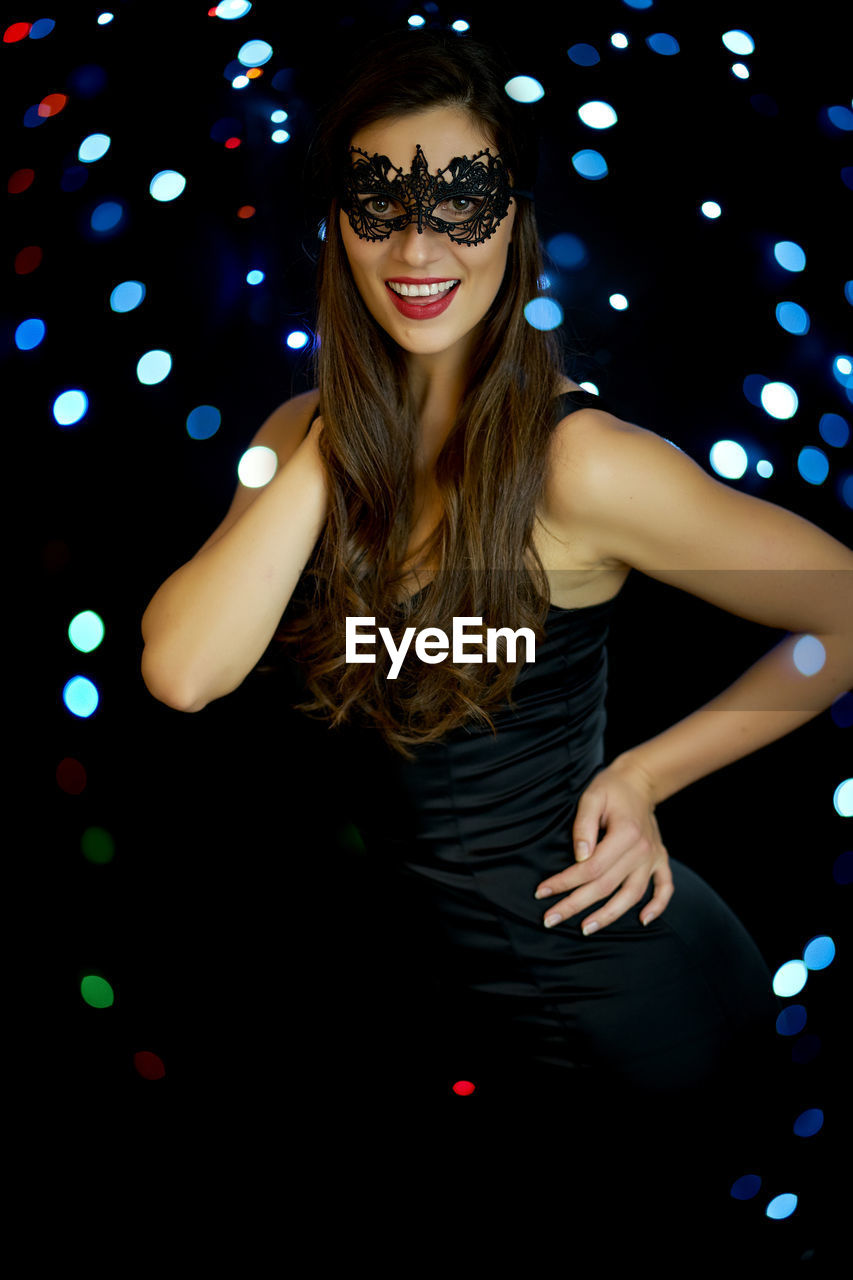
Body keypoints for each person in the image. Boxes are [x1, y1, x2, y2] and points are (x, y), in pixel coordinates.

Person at [140, 26, 852, 1241]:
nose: (419, 246)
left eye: (461, 202)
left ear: (513, 220)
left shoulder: (580, 466)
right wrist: (341, 424)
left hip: (623, 1003)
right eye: (380, 204)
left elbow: (842, 604)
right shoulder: (296, 435)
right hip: (444, 1012)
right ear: (337, 227)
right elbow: (183, 669)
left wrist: (642, 773)